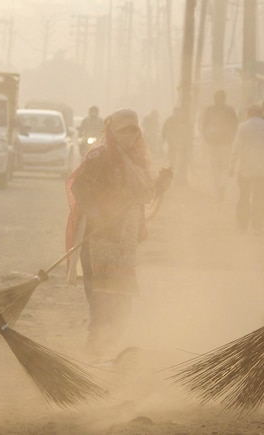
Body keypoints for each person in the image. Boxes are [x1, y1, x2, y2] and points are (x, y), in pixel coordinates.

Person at [65, 109, 171, 361]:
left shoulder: (136, 161)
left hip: (124, 247)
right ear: (112, 131)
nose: (130, 135)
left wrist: (161, 185)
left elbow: (144, 194)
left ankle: (107, 355)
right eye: (124, 130)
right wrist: (100, 213)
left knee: (122, 304)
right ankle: (93, 356)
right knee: (102, 304)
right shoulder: (100, 157)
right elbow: (80, 187)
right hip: (99, 241)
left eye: (134, 130)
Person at [229, 104, 264, 234]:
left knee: (244, 197)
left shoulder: (243, 127)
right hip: (263, 170)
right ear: (260, 113)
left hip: (245, 169)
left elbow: (235, 148)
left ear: (249, 113)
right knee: (259, 198)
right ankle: (257, 227)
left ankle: (242, 225)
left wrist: (232, 166)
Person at [200, 90, 238, 201]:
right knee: (223, 168)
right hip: (225, 144)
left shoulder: (210, 110)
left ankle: (218, 190)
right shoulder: (230, 110)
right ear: (224, 98)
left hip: (214, 144)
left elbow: (204, 127)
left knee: (215, 168)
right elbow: (235, 126)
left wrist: (207, 140)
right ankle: (221, 189)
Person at [161, 106, 191, 186]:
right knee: (172, 163)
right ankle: (171, 180)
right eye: (176, 112)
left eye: (179, 112)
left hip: (182, 147)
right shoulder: (170, 120)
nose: (178, 114)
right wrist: (164, 140)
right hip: (172, 146)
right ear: (174, 112)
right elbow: (164, 130)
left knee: (180, 163)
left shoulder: (184, 122)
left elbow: (187, 133)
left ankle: (177, 180)